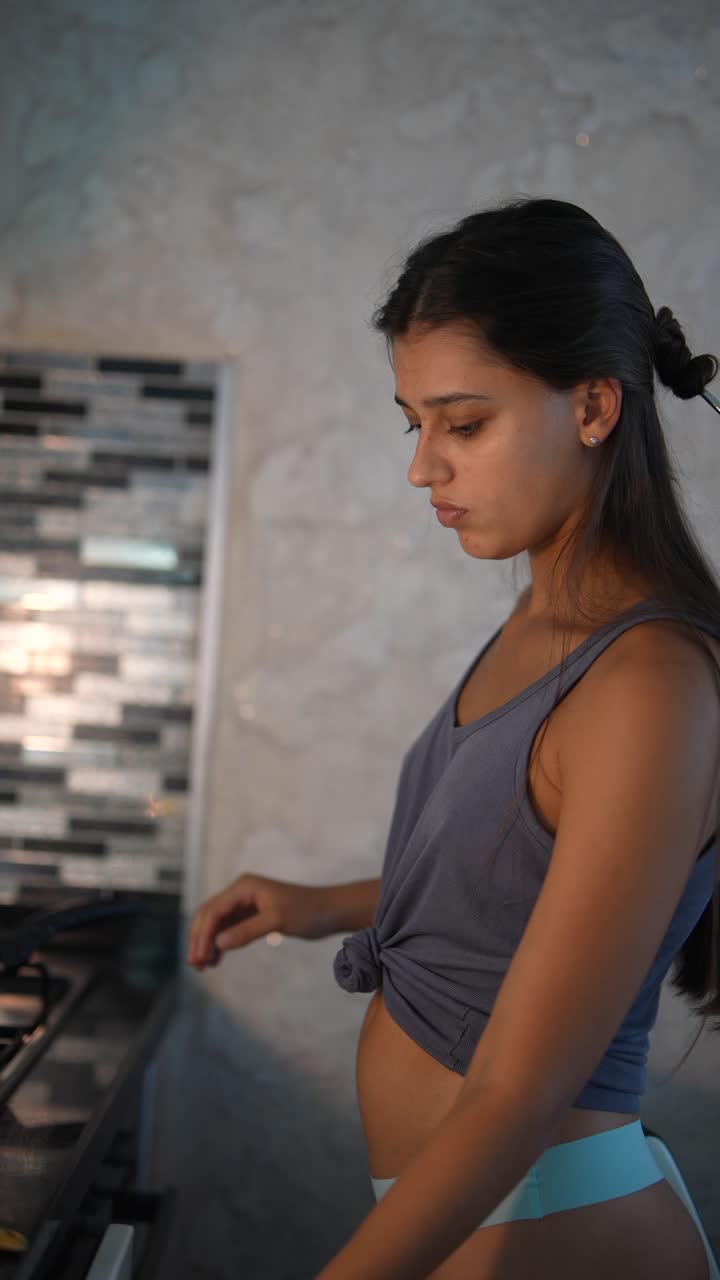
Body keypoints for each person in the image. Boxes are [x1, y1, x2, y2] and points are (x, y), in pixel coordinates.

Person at [188, 196, 720, 1279]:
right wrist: (322, 905)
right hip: (484, 1222)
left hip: (554, 1231)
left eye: (463, 423)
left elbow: (518, 1091)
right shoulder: (542, 618)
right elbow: (511, 891)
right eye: (413, 422)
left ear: (594, 406)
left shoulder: (649, 683)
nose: (423, 467)